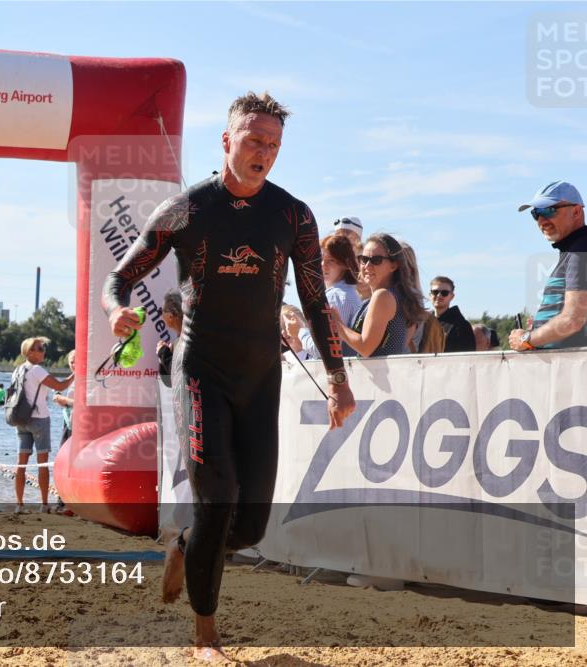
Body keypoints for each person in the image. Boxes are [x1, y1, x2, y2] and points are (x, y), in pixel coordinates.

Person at [102, 91, 355, 661]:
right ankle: (206, 633)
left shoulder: (293, 215)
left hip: (262, 375)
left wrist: (338, 378)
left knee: (250, 528)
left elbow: (316, 303)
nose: (263, 151)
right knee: (216, 500)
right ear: (227, 141)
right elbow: (120, 278)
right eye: (253, 139)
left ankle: (187, 545)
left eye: (273, 144)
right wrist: (115, 309)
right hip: (201, 374)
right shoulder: (188, 208)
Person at [510, 181, 587, 351]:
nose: (541, 220)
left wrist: (526, 339)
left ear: (576, 211)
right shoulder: (580, 247)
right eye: (536, 213)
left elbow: (572, 320)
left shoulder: (582, 250)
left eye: (549, 210)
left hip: (575, 369)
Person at [331, 233, 426, 357]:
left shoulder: (383, 296)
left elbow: (365, 348)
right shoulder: (393, 295)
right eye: (363, 259)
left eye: (376, 260)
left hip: (379, 375)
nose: (367, 266)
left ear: (393, 265)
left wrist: (336, 322)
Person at [14, 336, 75, 514]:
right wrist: (76, 373)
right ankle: (44, 504)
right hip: (39, 420)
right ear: (29, 352)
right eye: (40, 348)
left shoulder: (18, 370)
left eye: (43, 348)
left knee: (21, 464)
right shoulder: (37, 370)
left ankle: (19, 504)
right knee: (42, 463)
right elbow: (61, 385)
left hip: (21, 420)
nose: (43, 351)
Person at [295, 234, 363, 359]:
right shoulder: (349, 292)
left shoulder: (335, 296)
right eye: (321, 259)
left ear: (344, 264)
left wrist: (300, 331)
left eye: (331, 260)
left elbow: (325, 350)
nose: (323, 265)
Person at [51, 350, 76, 514]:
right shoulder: (73, 379)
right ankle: (62, 503)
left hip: (77, 426)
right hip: (67, 423)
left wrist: (63, 400)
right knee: (62, 463)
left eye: (76, 361)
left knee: (68, 463)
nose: (74, 364)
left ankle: (66, 504)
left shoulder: (85, 379)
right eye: (71, 361)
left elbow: (80, 402)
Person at [430, 276, 476, 352]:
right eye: (435, 292)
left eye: (444, 293)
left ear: (452, 296)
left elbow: (466, 358)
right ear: (430, 295)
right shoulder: (424, 323)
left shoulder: (461, 326)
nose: (439, 295)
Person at [155, 289, 184, 387]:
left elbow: (180, 377)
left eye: (161, 311)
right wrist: (162, 358)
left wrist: (163, 353)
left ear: (170, 316)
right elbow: (170, 382)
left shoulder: (190, 340)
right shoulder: (180, 339)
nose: (161, 316)